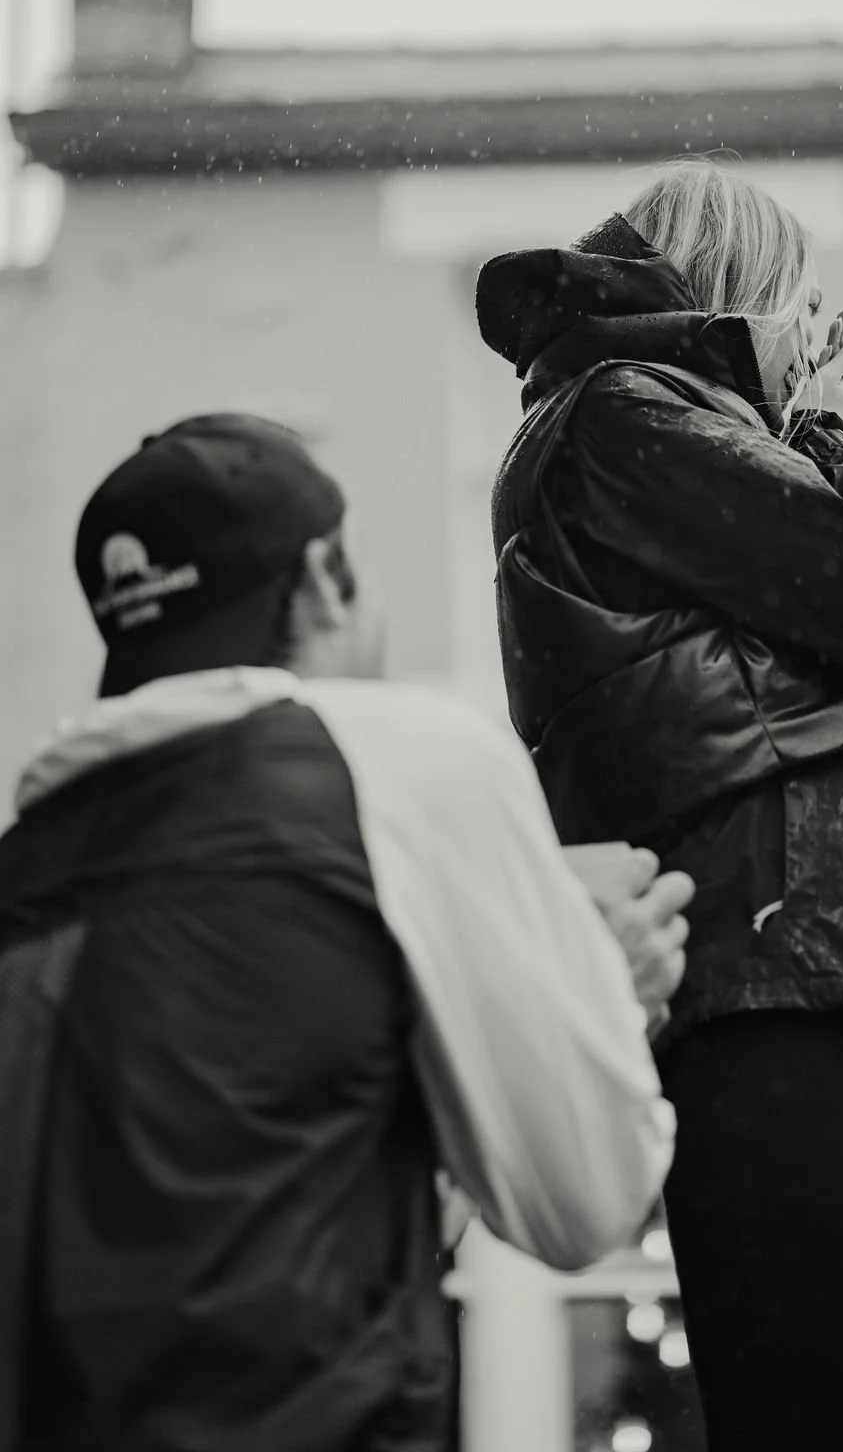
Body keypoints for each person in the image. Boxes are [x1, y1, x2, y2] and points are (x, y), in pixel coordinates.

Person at [0, 413, 694, 1452]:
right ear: (328, 575)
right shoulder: (396, 754)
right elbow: (582, 1203)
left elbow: (252, 1200)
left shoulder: (28, 856)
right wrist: (600, 991)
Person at [479, 159, 843, 1452]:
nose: (812, 344)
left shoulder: (671, 437)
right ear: (746, 293)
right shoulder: (615, 412)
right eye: (803, 309)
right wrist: (829, 436)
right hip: (766, 977)